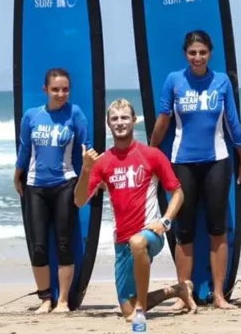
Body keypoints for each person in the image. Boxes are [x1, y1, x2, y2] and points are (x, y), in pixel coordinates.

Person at [148, 30, 241, 310]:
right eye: (192, 52)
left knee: (217, 230)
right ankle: (184, 295)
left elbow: (231, 121)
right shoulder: (174, 81)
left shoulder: (221, 81)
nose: (197, 57)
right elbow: (164, 120)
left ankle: (218, 295)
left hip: (217, 160)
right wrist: (150, 152)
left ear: (210, 53)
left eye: (202, 52)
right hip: (182, 163)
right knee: (185, 231)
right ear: (186, 54)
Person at [74, 99, 197, 321]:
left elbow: (178, 193)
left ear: (134, 120)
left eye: (124, 118)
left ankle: (141, 306)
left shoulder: (151, 155)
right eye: (114, 119)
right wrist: (85, 170)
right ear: (108, 124)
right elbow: (79, 200)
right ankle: (176, 290)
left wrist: (165, 221)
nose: (120, 123)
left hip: (150, 233)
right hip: (122, 241)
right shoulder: (103, 162)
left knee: (138, 243)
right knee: (126, 309)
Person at [14, 68, 89, 314]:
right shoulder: (32, 116)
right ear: (45, 90)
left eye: (65, 89)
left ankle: (64, 300)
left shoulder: (75, 114)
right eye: (55, 89)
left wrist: (93, 179)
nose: (60, 94)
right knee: (38, 246)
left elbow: (86, 151)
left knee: (64, 244)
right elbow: (25, 149)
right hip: (35, 186)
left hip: (65, 184)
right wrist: (17, 173)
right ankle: (45, 298)